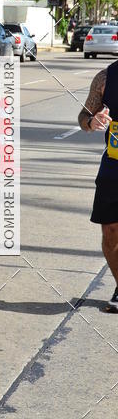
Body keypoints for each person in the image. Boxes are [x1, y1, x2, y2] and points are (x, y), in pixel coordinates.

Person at [78, 63, 118, 311]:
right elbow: (83, 117)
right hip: (114, 165)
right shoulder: (106, 77)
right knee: (110, 231)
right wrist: (92, 122)